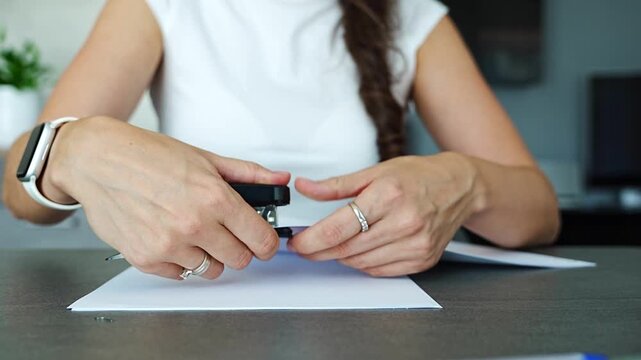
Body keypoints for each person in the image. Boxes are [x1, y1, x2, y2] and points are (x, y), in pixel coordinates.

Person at [1, 0, 559, 280]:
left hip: (371, 315)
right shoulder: (157, 6)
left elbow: (538, 213)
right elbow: (19, 195)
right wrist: (73, 148)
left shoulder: (413, 14)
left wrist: (465, 180)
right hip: (196, 313)